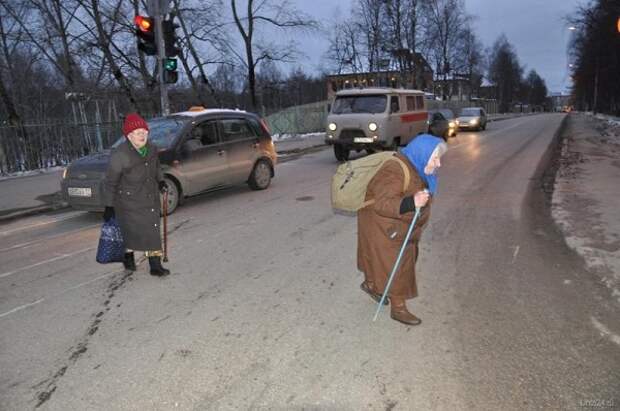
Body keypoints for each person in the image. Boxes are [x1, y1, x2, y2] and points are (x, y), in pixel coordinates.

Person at [357, 134, 447, 325]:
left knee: (379, 259)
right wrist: (411, 202)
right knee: (398, 265)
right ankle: (398, 309)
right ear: (422, 154)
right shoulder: (395, 170)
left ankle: (371, 284)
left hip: (388, 225)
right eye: (435, 158)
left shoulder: (417, 168)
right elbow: (382, 202)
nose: (438, 164)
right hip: (383, 225)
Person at [103, 113, 170, 276]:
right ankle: (128, 257)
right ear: (129, 135)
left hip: (149, 197)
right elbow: (110, 181)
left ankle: (155, 266)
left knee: (152, 231)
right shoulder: (120, 154)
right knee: (131, 233)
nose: (142, 135)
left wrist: (161, 181)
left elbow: (156, 167)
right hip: (128, 201)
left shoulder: (152, 148)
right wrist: (109, 206)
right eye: (138, 132)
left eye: (145, 132)